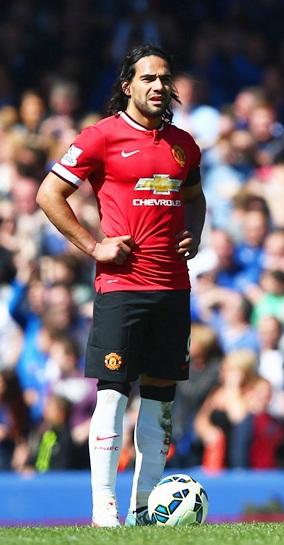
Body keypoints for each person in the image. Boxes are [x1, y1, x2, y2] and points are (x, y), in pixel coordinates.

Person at [36, 44, 206, 527]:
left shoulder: (183, 144)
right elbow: (49, 193)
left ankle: (146, 508)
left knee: (161, 398)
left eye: (164, 78)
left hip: (173, 287)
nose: (158, 86)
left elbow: (195, 197)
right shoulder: (100, 137)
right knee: (112, 393)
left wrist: (195, 229)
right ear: (127, 85)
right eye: (148, 78)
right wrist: (93, 246)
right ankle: (104, 508)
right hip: (122, 287)